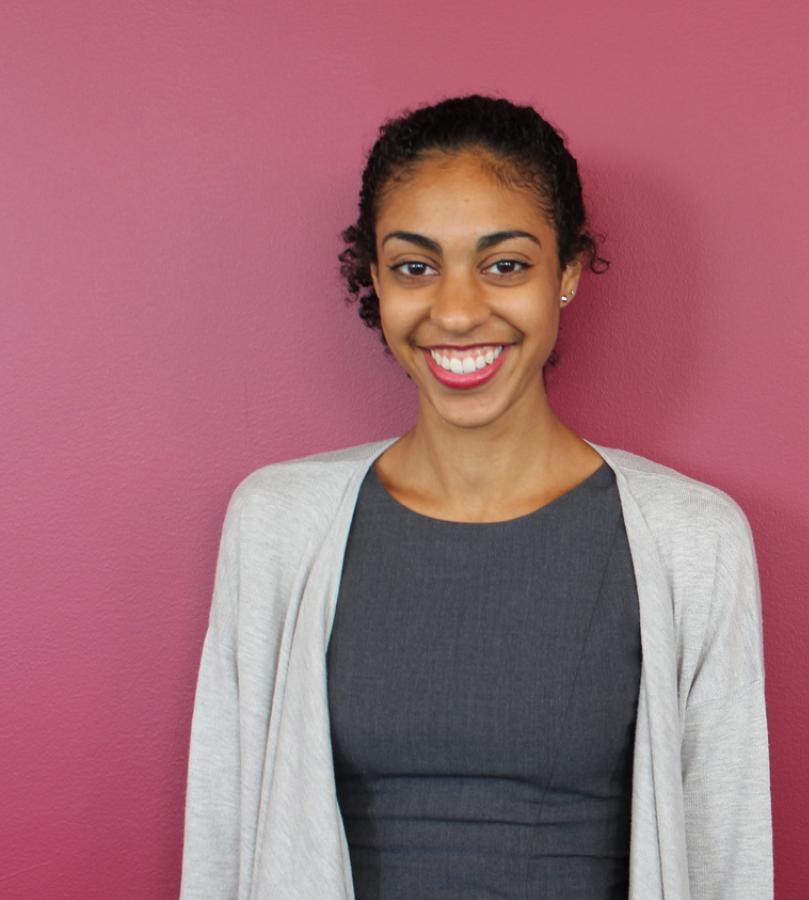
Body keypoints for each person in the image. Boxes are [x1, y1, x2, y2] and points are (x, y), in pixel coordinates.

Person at [180, 94, 773, 899]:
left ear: (565, 273)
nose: (456, 311)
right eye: (416, 266)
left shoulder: (692, 540)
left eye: (505, 264)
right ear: (376, 280)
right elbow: (223, 838)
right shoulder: (276, 526)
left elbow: (726, 851)